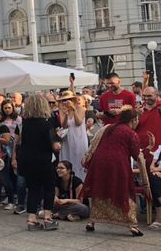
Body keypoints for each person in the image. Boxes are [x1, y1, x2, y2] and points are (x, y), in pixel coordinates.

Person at [82, 106, 144, 237]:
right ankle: (132, 225)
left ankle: (92, 221)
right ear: (133, 120)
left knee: (99, 190)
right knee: (124, 190)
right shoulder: (130, 133)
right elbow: (135, 154)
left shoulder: (108, 128)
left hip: (99, 162)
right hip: (117, 163)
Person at [17, 95, 60, 231]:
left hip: (28, 160)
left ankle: (31, 220)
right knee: (49, 187)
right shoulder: (48, 122)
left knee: (33, 189)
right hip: (44, 159)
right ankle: (48, 218)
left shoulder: (25, 123)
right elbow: (55, 145)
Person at [57, 90, 89, 181]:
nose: (66, 102)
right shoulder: (62, 110)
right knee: (68, 160)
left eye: (69, 99)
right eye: (64, 100)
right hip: (68, 140)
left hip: (79, 139)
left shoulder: (80, 108)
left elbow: (78, 122)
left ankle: (81, 183)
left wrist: (73, 110)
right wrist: (66, 113)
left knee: (79, 161)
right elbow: (63, 125)